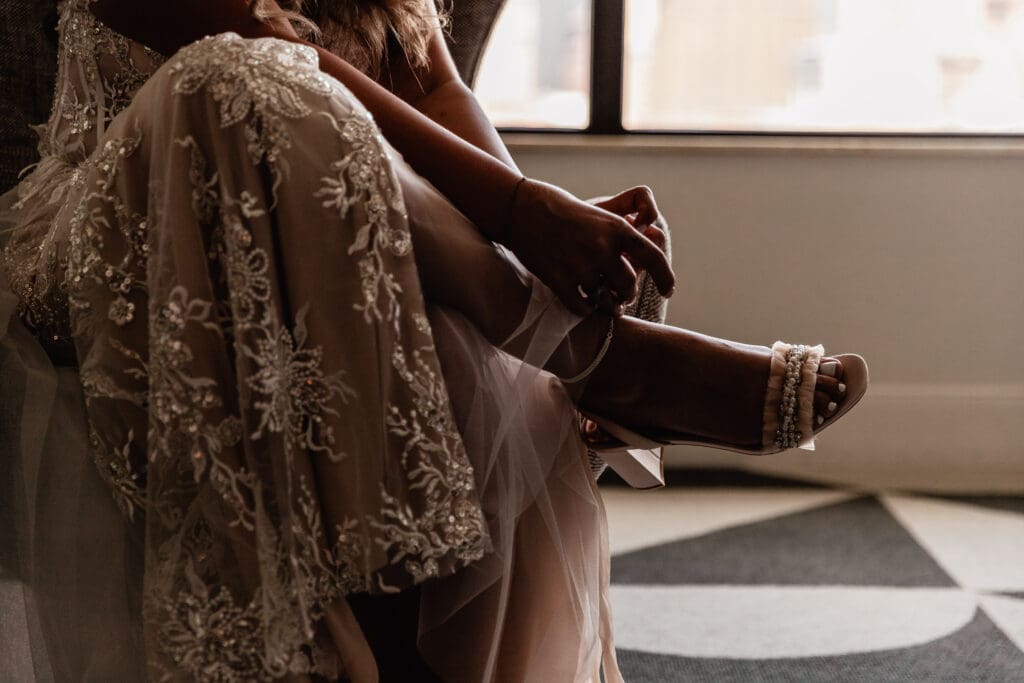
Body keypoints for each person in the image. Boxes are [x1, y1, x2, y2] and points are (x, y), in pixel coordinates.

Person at [0, 0, 866, 681]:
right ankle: (599, 361)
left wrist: (541, 245)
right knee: (245, 75)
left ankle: (574, 341)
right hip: (123, 246)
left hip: (314, 254)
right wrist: (524, 215)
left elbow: (440, 92)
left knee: (431, 302)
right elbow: (274, 55)